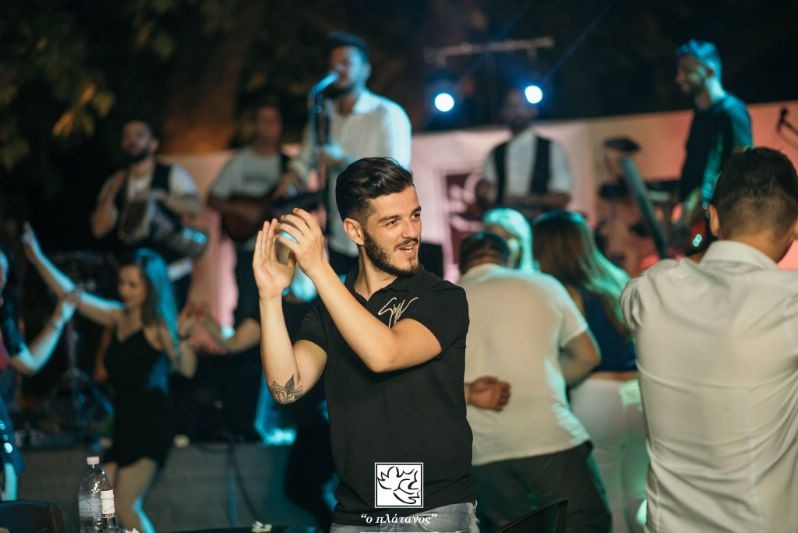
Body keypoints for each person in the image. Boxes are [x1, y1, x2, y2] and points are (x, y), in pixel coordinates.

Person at [254, 157, 481, 531]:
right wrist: (269, 296)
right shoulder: (330, 310)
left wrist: (319, 269)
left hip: (432, 510)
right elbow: (285, 388)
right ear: (355, 232)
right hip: (355, 512)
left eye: (415, 215)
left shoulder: (441, 297)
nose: (411, 232)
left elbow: (383, 354)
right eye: (392, 222)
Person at [621, 147, 798, 532]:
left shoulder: (650, 290)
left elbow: (632, 294)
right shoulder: (789, 299)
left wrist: (713, 246)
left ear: (714, 218)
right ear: (794, 226)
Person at [22, 224, 196, 533]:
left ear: (151, 287)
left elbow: (187, 369)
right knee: (102, 507)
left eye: (133, 284)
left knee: (127, 507)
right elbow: (72, 296)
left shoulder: (157, 327)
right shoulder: (117, 316)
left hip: (152, 423)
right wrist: (37, 257)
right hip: (125, 422)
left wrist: (180, 339)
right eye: (122, 282)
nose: (124, 290)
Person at [458, 231, 610, 533]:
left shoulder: (441, 301)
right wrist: (546, 380)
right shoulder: (542, 285)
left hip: (481, 451)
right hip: (548, 436)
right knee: (583, 523)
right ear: (508, 257)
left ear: (463, 264)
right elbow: (587, 355)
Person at [533, 210, 646, 533]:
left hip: (596, 396)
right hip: (638, 394)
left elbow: (571, 353)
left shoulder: (561, 291)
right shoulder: (616, 280)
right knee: (639, 499)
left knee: (610, 501)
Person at [289, 32, 412, 275]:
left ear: (365, 70)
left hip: (381, 230)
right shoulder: (324, 115)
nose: (337, 69)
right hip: (339, 231)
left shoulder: (387, 114)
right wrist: (291, 177)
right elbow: (304, 160)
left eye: (346, 63)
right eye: (333, 64)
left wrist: (342, 161)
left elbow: (398, 174)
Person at [90, 119, 203, 304]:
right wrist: (111, 192)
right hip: (132, 280)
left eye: (139, 135)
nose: (132, 140)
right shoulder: (115, 181)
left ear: (153, 144)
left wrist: (162, 196)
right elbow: (98, 229)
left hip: (171, 273)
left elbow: (195, 208)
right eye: (127, 136)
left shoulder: (171, 173)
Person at [0, 242, 79, 500]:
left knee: (6, 506)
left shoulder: (4, 321)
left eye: (4, 272)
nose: (1, 279)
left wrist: (60, 316)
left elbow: (29, 363)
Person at [207, 101, 293, 322]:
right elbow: (213, 198)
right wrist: (241, 210)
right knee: (247, 308)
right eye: (263, 120)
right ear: (254, 125)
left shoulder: (288, 166)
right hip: (248, 251)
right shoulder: (240, 161)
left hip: (280, 251)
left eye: (273, 120)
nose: (267, 126)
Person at [674, 40, 752, 246]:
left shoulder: (732, 112)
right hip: (699, 223)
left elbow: (744, 167)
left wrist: (701, 196)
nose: (679, 78)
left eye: (687, 70)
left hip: (723, 223)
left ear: (709, 71)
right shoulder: (699, 115)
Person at [477, 88, 573, 219]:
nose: (516, 112)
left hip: (541, 225)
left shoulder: (551, 148)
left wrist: (529, 200)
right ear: (503, 112)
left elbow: (563, 196)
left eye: (521, 106)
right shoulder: (496, 153)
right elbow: (488, 196)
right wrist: (482, 194)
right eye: (511, 106)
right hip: (506, 224)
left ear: (533, 110)